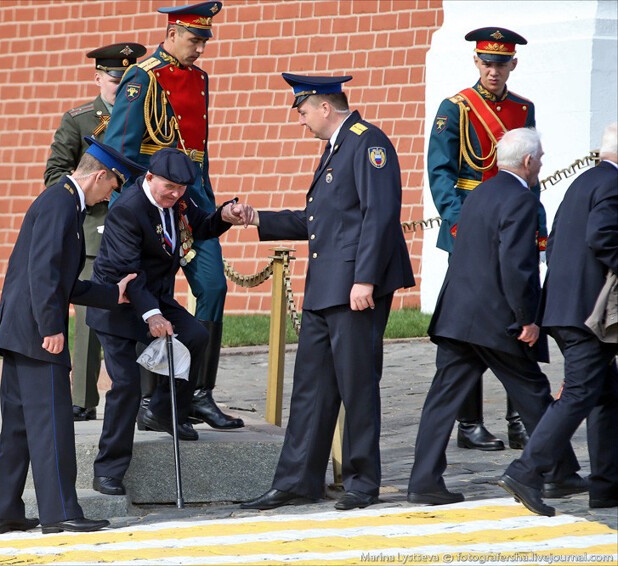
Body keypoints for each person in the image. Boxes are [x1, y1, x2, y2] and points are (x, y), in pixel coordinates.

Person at [241, 74, 415, 512]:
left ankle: (361, 481)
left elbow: (380, 214)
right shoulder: (337, 147)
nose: (300, 122)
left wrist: (366, 279)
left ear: (324, 107)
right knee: (312, 387)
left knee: (356, 385)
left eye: (302, 112)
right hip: (326, 287)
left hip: (354, 286)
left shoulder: (367, 142)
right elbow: (320, 221)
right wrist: (256, 218)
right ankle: (298, 480)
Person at [407, 128, 585, 506]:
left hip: (458, 315)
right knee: (533, 392)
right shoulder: (521, 201)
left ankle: (423, 480)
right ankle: (561, 473)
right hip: (496, 321)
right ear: (527, 161)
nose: (541, 164)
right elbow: (516, 266)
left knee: (441, 401)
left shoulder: (478, 194)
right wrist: (527, 318)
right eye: (539, 158)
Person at [0, 139, 143, 535]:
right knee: (52, 424)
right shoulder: (61, 204)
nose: (112, 194)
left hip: (20, 331)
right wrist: (52, 328)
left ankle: (4, 511)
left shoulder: (62, 202)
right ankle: (60, 513)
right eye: (113, 185)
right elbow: (43, 271)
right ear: (98, 175)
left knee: (20, 427)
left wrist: (112, 294)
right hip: (38, 334)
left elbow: (61, 280)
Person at [103, 1, 245, 431]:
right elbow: (122, 149)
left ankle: (199, 393)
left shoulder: (199, 79)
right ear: (171, 34)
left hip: (194, 200)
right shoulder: (142, 77)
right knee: (149, 296)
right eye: (193, 39)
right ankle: (154, 402)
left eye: (204, 41)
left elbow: (198, 156)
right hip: (151, 201)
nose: (200, 48)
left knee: (214, 287)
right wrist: (128, 213)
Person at [86, 148, 254, 496]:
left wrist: (224, 214)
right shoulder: (127, 211)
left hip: (155, 295)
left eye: (180, 188)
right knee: (127, 386)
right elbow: (128, 273)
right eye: (169, 187)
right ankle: (108, 470)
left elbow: (201, 226)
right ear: (150, 178)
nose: (175, 194)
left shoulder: (178, 201)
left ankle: (161, 411)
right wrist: (153, 315)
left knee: (195, 335)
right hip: (117, 302)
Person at [427, 27, 547, 452]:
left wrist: (538, 222)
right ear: (476, 63)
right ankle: (469, 421)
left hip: (514, 222)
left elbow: (529, 174)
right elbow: (440, 173)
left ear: (513, 64)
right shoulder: (456, 108)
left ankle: (520, 419)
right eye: (486, 63)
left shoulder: (523, 108)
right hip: (471, 229)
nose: (493, 71)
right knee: (470, 323)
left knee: (521, 313)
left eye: (501, 63)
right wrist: (459, 226)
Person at [499, 122, 618, 516]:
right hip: (588, 313)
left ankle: (605, 486)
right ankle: (526, 470)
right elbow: (602, 236)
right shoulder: (613, 185)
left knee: (605, 394)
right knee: (581, 393)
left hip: (565, 308)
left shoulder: (584, 182)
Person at [43, 42, 147, 422]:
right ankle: (83, 398)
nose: (119, 88)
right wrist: (101, 195)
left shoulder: (146, 116)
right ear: (99, 77)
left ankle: (142, 399)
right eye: (114, 80)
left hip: (136, 233)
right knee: (89, 319)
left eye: (126, 81)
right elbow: (55, 177)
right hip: (94, 229)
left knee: (140, 310)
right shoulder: (80, 119)